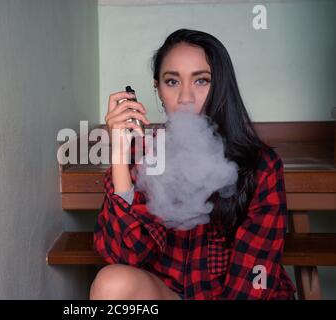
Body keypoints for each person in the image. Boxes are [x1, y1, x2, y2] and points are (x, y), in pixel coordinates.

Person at [90, 29, 296, 300]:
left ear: (221, 86)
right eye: (172, 82)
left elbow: (254, 275)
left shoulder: (260, 165)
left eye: (201, 81)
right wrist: (119, 153)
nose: (186, 97)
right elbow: (123, 254)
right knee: (111, 283)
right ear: (158, 89)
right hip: (168, 294)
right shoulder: (143, 155)